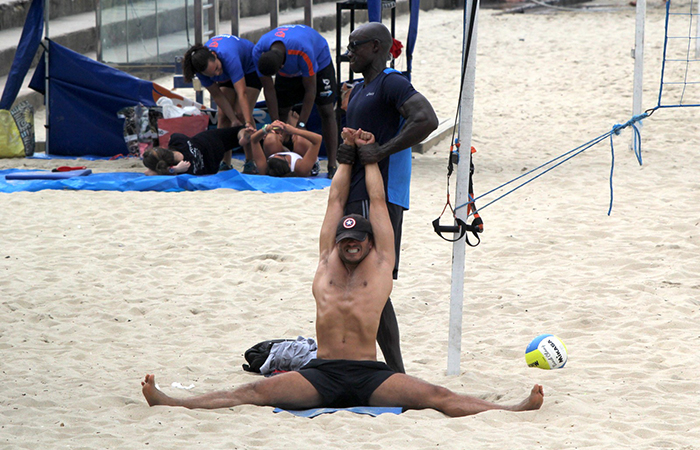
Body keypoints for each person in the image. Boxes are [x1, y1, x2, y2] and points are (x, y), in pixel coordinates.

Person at [141, 129, 544, 417]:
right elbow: (336, 199)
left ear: (370, 244)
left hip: (370, 374)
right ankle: (173, 402)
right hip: (323, 373)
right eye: (345, 240)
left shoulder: (381, 265)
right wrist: (346, 157)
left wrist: (369, 158)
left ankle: (512, 408)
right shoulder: (326, 262)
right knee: (252, 392)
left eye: (357, 240)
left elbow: (376, 201)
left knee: (435, 394)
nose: (351, 244)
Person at [340, 22, 440, 374]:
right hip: (357, 191)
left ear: (377, 47)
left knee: (374, 280)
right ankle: (376, 366)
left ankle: (397, 373)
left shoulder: (391, 82)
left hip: (380, 195)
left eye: (355, 46)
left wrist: (382, 151)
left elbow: (427, 119)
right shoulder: (359, 89)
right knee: (356, 278)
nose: (349, 52)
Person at [252, 24, 338, 177]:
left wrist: (301, 125)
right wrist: (274, 124)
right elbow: (269, 89)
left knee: (326, 110)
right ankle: (283, 149)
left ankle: (332, 164)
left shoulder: (304, 50)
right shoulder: (259, 51)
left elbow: (310, 90)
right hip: (287, 64)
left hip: (318, 63)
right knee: (282, 110)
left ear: (282, 66)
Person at [183, 35, 260, 169]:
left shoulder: (228, 57)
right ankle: (225, 161)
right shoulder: (203, 70)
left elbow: (242, 93)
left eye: (217, 68)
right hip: (228, 73)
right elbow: (217, 95)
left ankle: (250, 160)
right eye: (213, 74)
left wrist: (246, 122)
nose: (217, 74)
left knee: (241, 113)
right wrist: (232, 119)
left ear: (215, 55)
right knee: (223, 116)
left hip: (249, 67)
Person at [142, 127, 241, 176]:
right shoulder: (177, 141)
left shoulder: (181, 168)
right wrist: (174, 169)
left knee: (241, 133)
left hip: (211, 145)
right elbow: (149, 172)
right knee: (241, 132)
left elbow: (149, 172)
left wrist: (173, 169)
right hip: (211, 145)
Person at [239, 119, 321, 177]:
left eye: (273, 156)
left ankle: (279, 134)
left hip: (283, 161)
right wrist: (294, 130)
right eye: (282, 156)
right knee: (300, 139)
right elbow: (318, 139)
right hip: (302, 156)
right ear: (289, 165)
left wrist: (267, 128)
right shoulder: (300, 169)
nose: (277, 154)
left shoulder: (265, 168)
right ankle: (297, 124)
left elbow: (253, 141)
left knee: (271, 139)